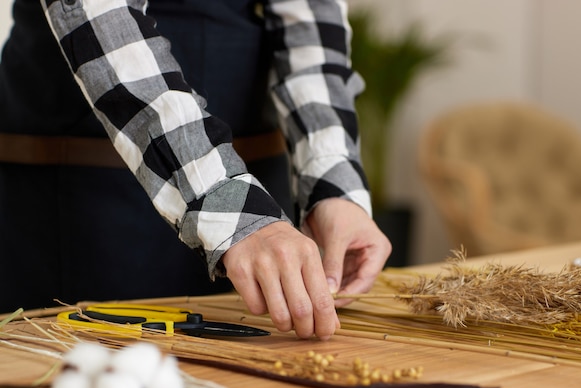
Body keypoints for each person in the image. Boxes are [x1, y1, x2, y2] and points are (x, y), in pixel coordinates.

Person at [0, 0, 391, 340]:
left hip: (259, 204)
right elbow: (99, 13)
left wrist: (334, 184)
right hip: (89, 191)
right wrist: (229, 205)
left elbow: (310, 18)